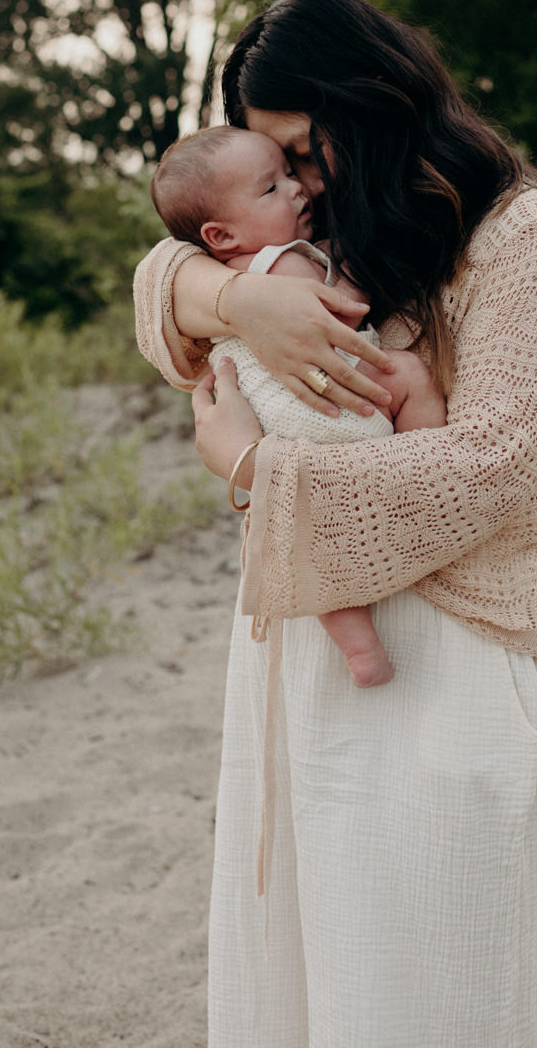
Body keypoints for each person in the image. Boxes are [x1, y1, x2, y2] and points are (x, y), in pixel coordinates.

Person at [133, 0, 537, 1048]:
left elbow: (485, 469)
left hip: (462, 649)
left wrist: (256, 466)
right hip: (302, 643)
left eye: (304, 151)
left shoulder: (530, 240)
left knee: (430, 997)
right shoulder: (317, 233)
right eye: (276, 164)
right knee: (304, 988)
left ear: (375, 99)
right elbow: (161, 276)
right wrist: (235, 298)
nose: (296, 184)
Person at [148, 122, 447, 686]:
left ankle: (361, 653)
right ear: (221, 235)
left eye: (291, 174)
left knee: (311, 550)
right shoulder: (283, 267)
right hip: (323, 409)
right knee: (408, 374)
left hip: (280, 432)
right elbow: (347, 307)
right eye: (271, 188)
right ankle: (424, 451)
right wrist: (354, 264)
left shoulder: (232, 274)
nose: (298, 190)